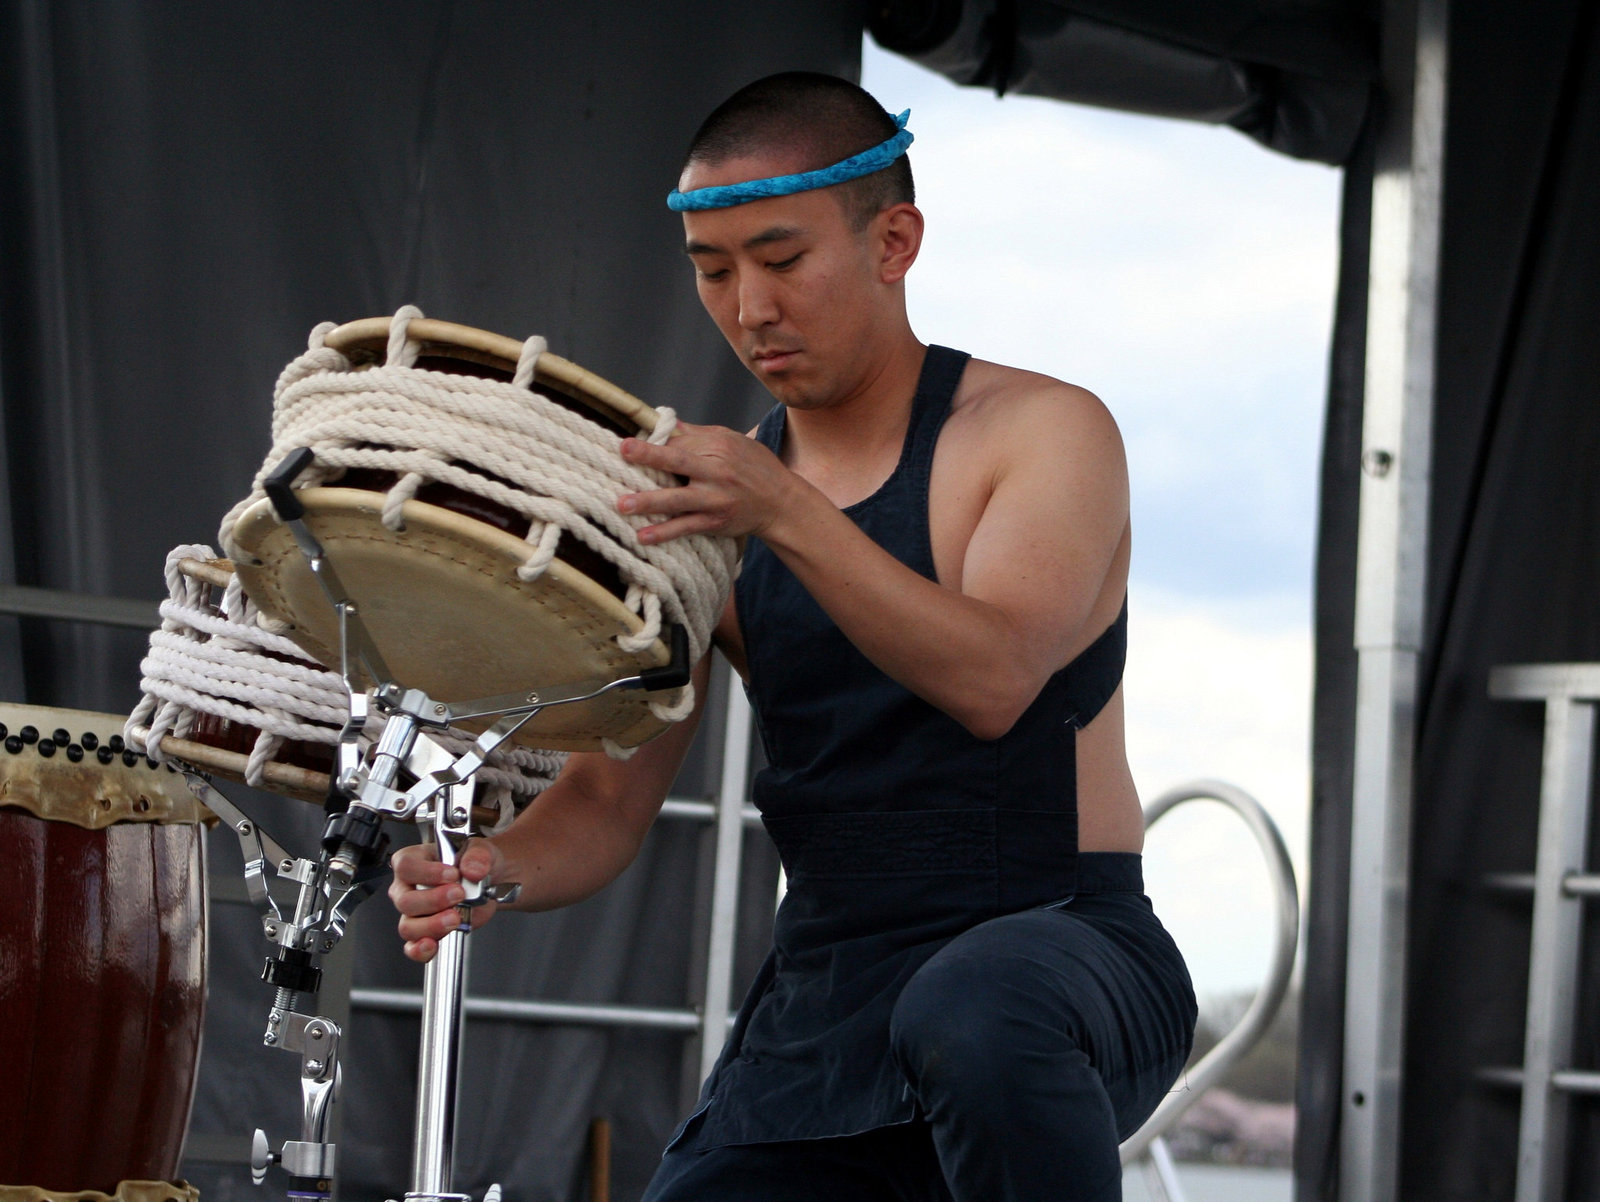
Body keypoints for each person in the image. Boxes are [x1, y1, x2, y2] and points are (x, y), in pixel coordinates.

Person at [390, 72, 1195, 1201]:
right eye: (712, 271)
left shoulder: (1041, 431)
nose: (747, 307)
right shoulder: (713, 519)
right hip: (831, 994)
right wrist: (490, 870)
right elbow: (609, 800)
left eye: (781, 259)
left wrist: (782, 508)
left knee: (972, 1010)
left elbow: (999, 675)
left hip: (1062, 949)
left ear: (894, 240)